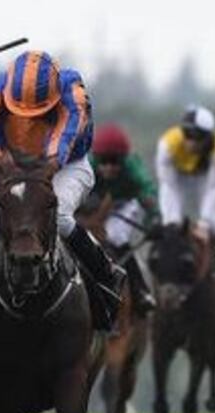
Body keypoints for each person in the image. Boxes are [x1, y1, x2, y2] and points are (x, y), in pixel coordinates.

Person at [0, 50, 126, 329]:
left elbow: (61, 145)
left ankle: (106, 274)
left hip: (67, 165)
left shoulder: (73, 95)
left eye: (38, 110)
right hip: (20, 166)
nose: (28, 116)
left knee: (61, 216)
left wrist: (39, 181)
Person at [155, 105, 215, 286]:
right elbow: (168, 186)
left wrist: (204, 223)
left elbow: (214, 189)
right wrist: (172, 221)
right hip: (177, 175)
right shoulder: (167, 145)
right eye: (187, 135)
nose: (190, 142)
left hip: (205, 176)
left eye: (197, 137)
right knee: (169, 222)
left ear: (208, 137)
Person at [88, 123, 158, 314]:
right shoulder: (87, 165)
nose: (109, 167)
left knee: (116, 235)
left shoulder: (132, 168)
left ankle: (140, 290)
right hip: (92, 207)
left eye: (115, 162)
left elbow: (148, 191)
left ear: (123, 160)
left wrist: (153, 218)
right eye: (104, 162)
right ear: (96, 159)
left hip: (124, 205)